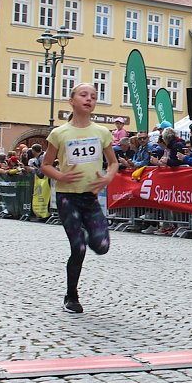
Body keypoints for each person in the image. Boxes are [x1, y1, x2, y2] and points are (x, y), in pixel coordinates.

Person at [40, 83, 118, 314]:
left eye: (93, 96)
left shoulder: (102, 132)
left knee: (102, 247)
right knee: (78, 247)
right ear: (71, 100)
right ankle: (71, 297)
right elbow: (45, 165)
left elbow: (113, 162)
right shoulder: (59, 133)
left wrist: (106, 178)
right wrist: (62, 175)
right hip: (67, 197)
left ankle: (84, 232)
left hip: (90, 197)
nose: (89, 99)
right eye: (83, 95)